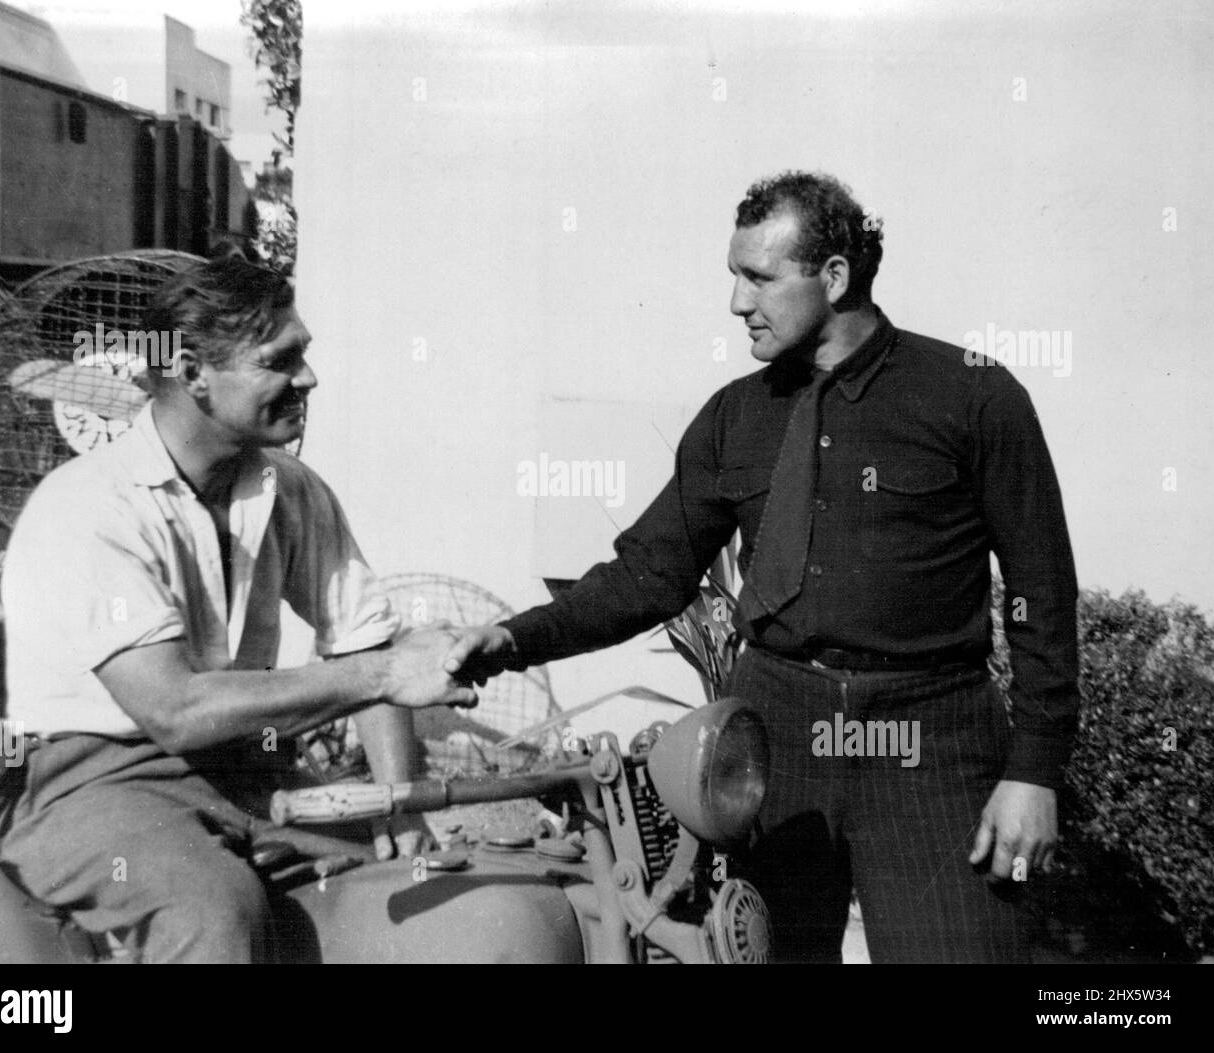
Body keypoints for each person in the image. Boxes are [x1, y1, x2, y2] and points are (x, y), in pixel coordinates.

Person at [447, 170, 1079, 964]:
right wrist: (512, 639)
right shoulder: (734, 418)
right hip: (773, 743)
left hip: (931, 740)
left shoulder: (974, 398)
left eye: (759, 278)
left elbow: (1042, 591)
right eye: (733, 277)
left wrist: (1036, 771)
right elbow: (648, 573)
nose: (737, 303)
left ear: (836, 277)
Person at [0, 257, 478, 963]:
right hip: (97, 784)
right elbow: (176, 709)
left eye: (304, 355)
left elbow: (360, 638)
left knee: (404, 886)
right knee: (217, 911)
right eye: (281, 361)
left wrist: (399, 804)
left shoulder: (288, 487)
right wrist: (380, 674)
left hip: (250, 768)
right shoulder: (89, 506)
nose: (309, 378)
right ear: (193, 372)